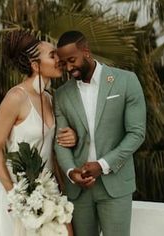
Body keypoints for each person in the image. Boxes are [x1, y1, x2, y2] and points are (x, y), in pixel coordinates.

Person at [54, 30, 146, 236]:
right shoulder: (61, 95)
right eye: (63, 63)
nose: (68, 68)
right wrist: (71, 172)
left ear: (86, 52)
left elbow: (136, 133)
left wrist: (102, 165)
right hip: (79, 190)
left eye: (71, 60)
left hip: (116, 186)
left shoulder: (126, 81)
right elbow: (60, 141)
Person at [0, 29, 76, 236]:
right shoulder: (16, 98)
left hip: (46, 188)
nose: (59, 59)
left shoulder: (50, 99)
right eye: (52, 56)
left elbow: (53, 143)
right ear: (35, 65)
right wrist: (13, 193)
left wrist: (72, 136)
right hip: (17, 193)